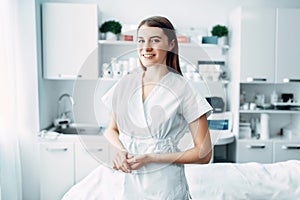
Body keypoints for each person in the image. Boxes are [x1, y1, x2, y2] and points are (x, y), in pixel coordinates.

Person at [62, 16, 213, 200]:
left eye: (155, 40)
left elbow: (204, 153)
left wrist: (151, 158)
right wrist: (118, 150)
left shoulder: (184, 89)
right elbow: (112, 129)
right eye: (141, 40)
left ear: (171, 44)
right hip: (123, 177)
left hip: (162, 184)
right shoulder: (125, 83)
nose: (146, 47)